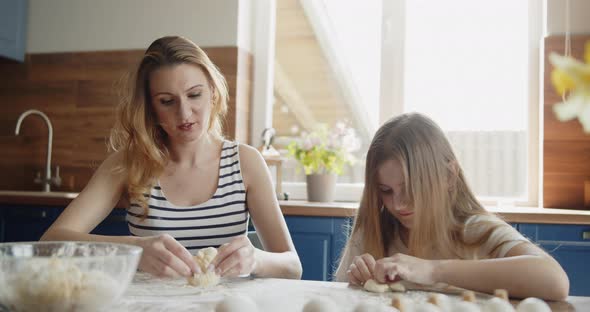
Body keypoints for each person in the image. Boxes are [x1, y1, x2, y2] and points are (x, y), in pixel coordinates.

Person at [41, 36, 302, 280]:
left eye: (194, 94)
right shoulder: (127, 164)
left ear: (212, 91)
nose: (185, 113)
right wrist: (134, 249)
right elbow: (49, 243)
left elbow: (293, 267)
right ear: (151, 109)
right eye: (167, 101)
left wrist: (255, 259)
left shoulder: (245, 163)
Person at [334, 113, 569, 300]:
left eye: (413, 186)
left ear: (448, 176)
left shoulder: (476, 232)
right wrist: (356, 280)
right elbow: (339, 300)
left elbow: (554, 281)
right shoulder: (374, 232)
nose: (399, 202)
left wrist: (432, 270)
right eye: (386, 190)